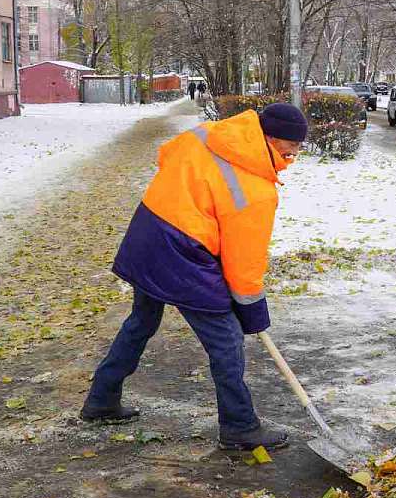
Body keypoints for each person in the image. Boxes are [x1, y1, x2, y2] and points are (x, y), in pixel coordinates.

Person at [80, 103, 308, 451]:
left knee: (142, 320)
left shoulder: (210, 133)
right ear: (275, 141)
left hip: (148, 229)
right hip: (182, 251)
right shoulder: (255, 191)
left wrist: (192, 202)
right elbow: (243, 265)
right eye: (294, 147)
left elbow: (166, 154)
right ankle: (240, 427)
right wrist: (252, 314)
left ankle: (102, 398)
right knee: (227, 338)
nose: (297, 153)